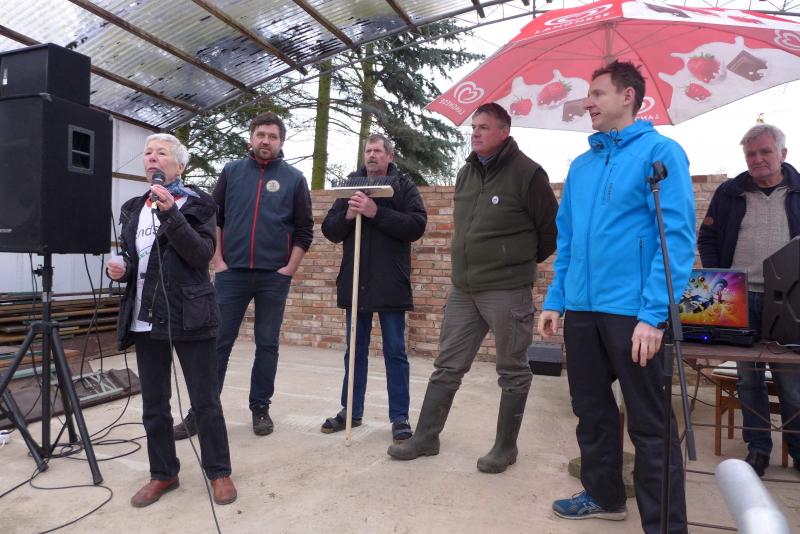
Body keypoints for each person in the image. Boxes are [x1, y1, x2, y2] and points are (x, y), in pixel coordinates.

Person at [537, 61, 695, 533]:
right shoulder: (581, 166)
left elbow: (675, 240)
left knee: (649, 424)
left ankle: (665, 526)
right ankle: (604, 496)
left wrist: (653, 315)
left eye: (597, 93)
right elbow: (567, 240)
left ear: (628, 96)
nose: (588, 102)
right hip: (583, 310)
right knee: (591, 412)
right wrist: (556, 299)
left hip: (633, 314)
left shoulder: (660, 154)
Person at [387, 103, 558, 473]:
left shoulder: (528, 174)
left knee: (512, 369)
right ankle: (425, 438)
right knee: (447, 365)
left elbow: (549, 233)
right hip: (464, 288)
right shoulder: (466, 172)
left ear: (504, 132)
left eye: (483, 127)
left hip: (507, 289)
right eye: (473, 127)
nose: (475, 133)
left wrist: (513, 261)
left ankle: (505, 448)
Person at [108, 133, 236, 507]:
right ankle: (164, 473)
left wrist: (171, 214)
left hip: (190, 315)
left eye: (161, 152)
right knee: (154, 405)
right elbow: (136, 259)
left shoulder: (200, 204)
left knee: (205, 401)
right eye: (147, 152)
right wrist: (123, 269)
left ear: (179, 165)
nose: (152, 158)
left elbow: (201, 255)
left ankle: (219, 472)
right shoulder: (134, 207)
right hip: (145, 317)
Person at [173, 112, 313, 439]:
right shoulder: (232, 172)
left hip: (273, 277)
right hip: (232, 274)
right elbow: (213, 218)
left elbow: (304, 229)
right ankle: (200, 412)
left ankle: (260, 407)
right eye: (261, 134)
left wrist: (288, 270)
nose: (266, 141)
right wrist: (218, 260)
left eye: (273, 136)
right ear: (251, 138)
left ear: (281, 142)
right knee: (217, 343)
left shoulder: (294, 179)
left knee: (267, 344)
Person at [698, 123, 800, 477]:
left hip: (788, 300)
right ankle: (758, 449)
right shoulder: (729, 192)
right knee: (748, 379)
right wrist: (721, 281)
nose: (757, 159)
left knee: (791, 381)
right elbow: (707, 237)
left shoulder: (798, 190)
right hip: (738, 300)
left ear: (782, 153)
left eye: (765, 152)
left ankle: (798, 450)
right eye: (751, 154)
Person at [319, 134, 427, 442]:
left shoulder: (403, 186)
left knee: (395, 352)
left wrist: (375, 212)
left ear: (389, 156)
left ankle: (400, 417)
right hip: (356, 283)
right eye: (368, 150)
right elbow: (330, 230)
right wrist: (349, 214)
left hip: (391, 283)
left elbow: (416, 226)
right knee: (355, 352)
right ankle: (350, 411)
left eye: (378, 151)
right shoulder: (350, 187)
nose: (372, 155)